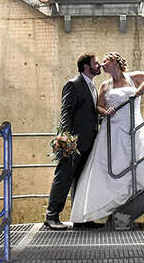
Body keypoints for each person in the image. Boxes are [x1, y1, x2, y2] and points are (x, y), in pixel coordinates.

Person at [70, 52, 144, 226]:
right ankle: (104, 206)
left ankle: (129, 198)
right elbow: (99, 106)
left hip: (133, 127)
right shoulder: (105, 85)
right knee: (108, 165)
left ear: (115, 61)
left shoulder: (132, 78)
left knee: (136, 161)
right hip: (112, 129)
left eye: (105, 61)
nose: (102, 64)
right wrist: (105, 112)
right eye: (100, 62)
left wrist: (142, 87)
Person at [44, 52, 102, 230]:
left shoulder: (92, 86)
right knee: (64, 177)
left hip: (89, 141)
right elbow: (66, 112)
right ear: (86, 66)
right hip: (73, 142)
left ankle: (79, 218)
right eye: (96, 63)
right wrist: (65, 137)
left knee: (81, 180)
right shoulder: (73, 84)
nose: (98, 66)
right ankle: (51, 216)